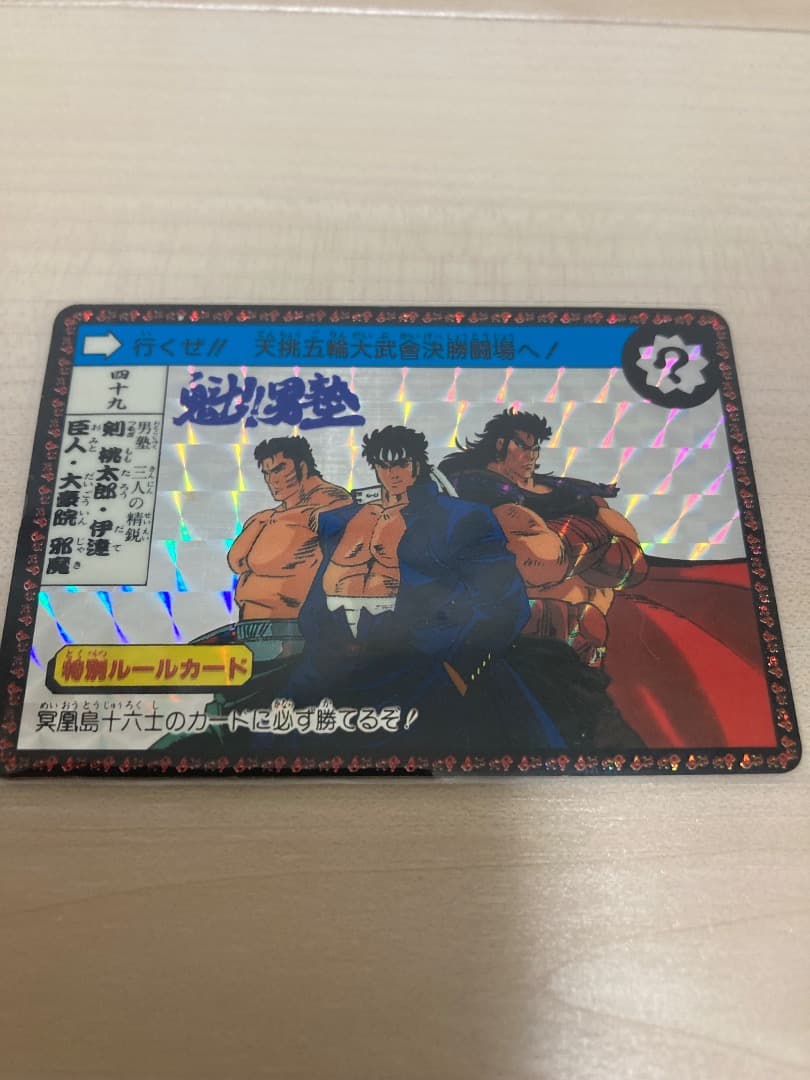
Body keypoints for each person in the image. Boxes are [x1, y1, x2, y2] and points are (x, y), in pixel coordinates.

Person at [281, 425, 564, 759]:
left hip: (421, 665)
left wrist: (458, 663)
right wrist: (317, 639)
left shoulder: (460, 517)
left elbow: (505, 599)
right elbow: (320, 590)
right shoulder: (341, 520)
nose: (393, 474)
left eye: (402, 464)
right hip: (332, 666)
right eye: (385, 465)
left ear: (418, 464)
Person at [439, 409, 648, 748]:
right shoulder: (473, 488)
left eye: (535, 447)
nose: (532, 455)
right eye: (524, 446)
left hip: (578, 652)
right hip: (512, 641)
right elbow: (545, 560)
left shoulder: (568, 494)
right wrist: (589, 536)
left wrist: (582, 530)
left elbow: (632, 564)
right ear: (501, 444)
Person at [228, 436, 352, 621]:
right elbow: (237, 561)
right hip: (253, 627)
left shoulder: (332, 503)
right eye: (267, 473)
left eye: (278, 470)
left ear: (302, 467)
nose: (272, 480)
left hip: (293, 628)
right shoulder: (269, 516)